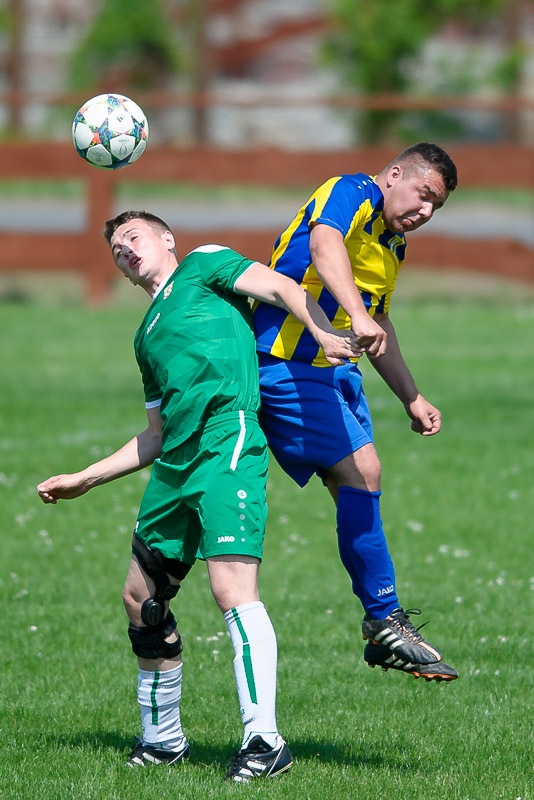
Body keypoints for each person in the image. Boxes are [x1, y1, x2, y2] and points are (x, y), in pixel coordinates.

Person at [36, 211, 360, 782]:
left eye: (133, 237)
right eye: (116, 249)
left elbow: (281, 287)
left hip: (225, 439)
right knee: (141, 598)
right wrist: (86, 477)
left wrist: (322, 332)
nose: (125, 250)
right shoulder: (145, 336)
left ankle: (265, 741)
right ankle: (163, 742)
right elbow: (155, 435)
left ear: (167, 239)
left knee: (231, 589)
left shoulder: (205, 264)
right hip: (176, 463)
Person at [253, 142, 460, 682]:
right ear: (395, 174)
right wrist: (354, 313)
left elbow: (379, 322)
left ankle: (381, 621)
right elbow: (324, 245)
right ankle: (384, 619)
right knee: (362, 472)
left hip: (336, 371)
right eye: (423, 194)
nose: (425, 211)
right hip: (285, 360)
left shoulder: (394, 244)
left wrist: (411, 396)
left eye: (436, 206)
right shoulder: (351, 192)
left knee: (362, 481)